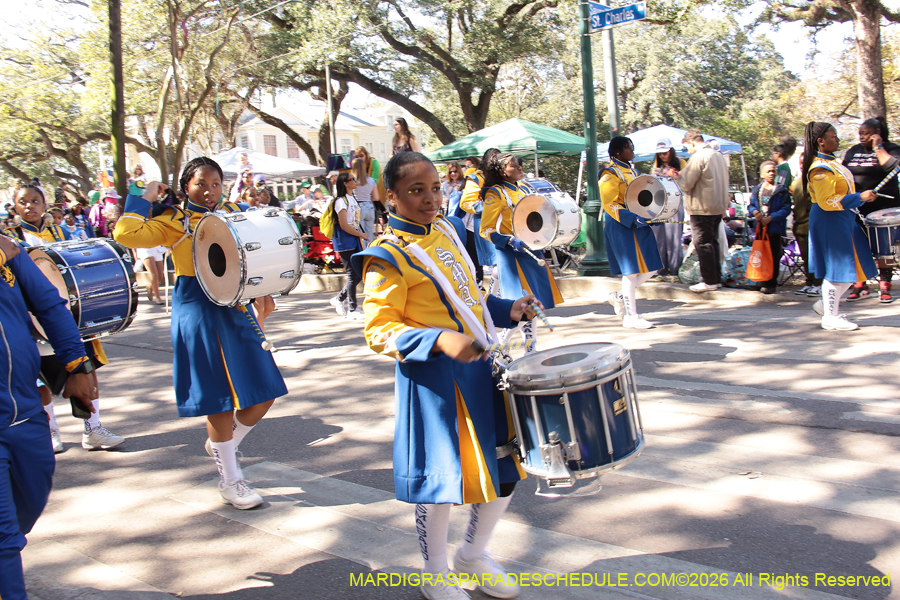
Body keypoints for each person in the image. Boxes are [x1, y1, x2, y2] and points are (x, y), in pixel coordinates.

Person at [354, 151, 539, 600]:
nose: (430, 198)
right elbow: (379, 331)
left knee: (507, 468)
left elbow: (470, 296)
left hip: (482, 371)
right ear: (391, 196)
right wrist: (437, 340)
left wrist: (507, 310)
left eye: (435, 188)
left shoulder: (448, 230)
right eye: (415, 191)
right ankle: (434, 571)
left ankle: (473, 554)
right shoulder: (385, 257)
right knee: (440, 481)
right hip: (435, 383)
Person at [114, 157, 288, 508]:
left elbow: (263, 250)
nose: (209, 191)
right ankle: (230, 478)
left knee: (264, 390)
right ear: (185, 187)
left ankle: (223, 445)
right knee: (219, 398)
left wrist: (264, 288)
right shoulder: (174, 221)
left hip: (235, 306)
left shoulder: (234, 213)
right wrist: (142, 195)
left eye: (215, 184)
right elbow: (125, 233)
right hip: (196, 306)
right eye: (200, 184)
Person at [0, 233, 98, 600]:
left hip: (25, 412)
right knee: (5, 538)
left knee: (32, 495)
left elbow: (49, 305)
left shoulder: (8, 247)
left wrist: (76, 364)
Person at [7, 183, 123, 452]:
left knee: (86, 371)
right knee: (40, 380)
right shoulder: (10, 239)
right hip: (33, 319)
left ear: (44, 204)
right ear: (15, 207)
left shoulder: (61, 231)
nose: (30, 206)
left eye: (35, 200)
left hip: (69, 315)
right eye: (23, 201)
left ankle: (92, 428)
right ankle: (51, 431)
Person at [480, 151, 563, 349]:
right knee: (526, 304)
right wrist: (509, 241)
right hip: (512, 255)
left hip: (532, 250)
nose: (519, 167)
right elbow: (486, 229)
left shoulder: (524, 188)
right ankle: (526, 346)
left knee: (531, 303)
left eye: (519, 163)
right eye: (514, 164)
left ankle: (510, 343)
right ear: (502, 171)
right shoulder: (496, 193)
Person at [803, 121, 878, 331]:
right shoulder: (820, 168)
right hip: (830, 221)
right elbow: (827, 201)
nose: (837, 139)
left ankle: (827, 306)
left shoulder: (832, 164)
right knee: (838, 269)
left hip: (843, 219)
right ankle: (830, 316)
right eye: (833, 136)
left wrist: (859, 199)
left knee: (853, 267)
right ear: (821, 141)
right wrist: (859, 197)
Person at [600, 137, 663, 329]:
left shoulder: (633, 171)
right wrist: (631, 217)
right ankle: (631, 316)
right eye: (629, 148)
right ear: (618, 152)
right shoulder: (609, 174)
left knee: (652, 266)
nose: (632, 151)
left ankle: (619, 296)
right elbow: (608, 204)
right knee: (631, 271)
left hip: (637, 221)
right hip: (621, 224)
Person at [842, 116, 900, 303]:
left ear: (877, 133)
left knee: (884, 248)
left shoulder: (891, 149)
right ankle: (860, 283)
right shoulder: (854, 151)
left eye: (866, 134)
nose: (861, 137)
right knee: (858, 245)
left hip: (884, 207)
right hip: (859, 205)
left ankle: (884, 285)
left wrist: (878, 147)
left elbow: (894, 167)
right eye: (860, 133)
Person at [679, 129, 730, 293]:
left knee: (703, 243)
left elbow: (686, 183)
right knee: (713, 242)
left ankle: (709, 280)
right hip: (717, 205)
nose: (688, 151)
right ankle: (715, 278)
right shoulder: (718, 155)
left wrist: (677, 176)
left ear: (691, 143)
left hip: (701, 206)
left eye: (687, 148)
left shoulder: (699, 157)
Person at [747, 161, 792, 294]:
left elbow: (786, 208)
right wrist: (755, 212)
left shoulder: (781, 191)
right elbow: (751, 205)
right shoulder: (757, 190)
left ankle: (771, 282)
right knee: (759, 254)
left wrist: (771, 218)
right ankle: (759, 279)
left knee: (773, 255)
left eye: (773, 171)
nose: (771, 173)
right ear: (762, 174)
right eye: (768, 171)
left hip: (774, 229)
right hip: (760, 228)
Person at [327, 173, 367, 319]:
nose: (356, 181)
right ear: (345, 183)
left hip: (354, 239)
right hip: (345, 240)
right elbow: (344, 225)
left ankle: (339, 299)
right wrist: (361, 234)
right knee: (352, 273)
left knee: (359, 272)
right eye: (352, 180)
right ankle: (352, 309)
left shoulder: (352, 199)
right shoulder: (340, 201)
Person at [650, 137, 687, 279]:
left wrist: (674, 177)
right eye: (660, 153)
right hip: (658, 205)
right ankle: (660, 269)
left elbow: (686, 184)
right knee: (659, 238)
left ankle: (675, 268)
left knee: (673, 237)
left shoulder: (682, 164)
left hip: (675, 203)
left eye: (665, 152)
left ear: (671, 151)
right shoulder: (655, 165)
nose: (662, 155)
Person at [461, 152, 497, 291]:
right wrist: (490, 206)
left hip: (498, 227)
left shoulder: (500, 178)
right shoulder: (475, 178)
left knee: (499, 266)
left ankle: (497, 300)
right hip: (475, 228)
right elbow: (466, 203)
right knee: (476, 265)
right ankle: (481, 297)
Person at [790, 153, 823, 297]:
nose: (803, 165)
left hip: (814, 225)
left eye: (806, 162)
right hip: (800, 225)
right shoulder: (796, 183)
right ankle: (809, 282)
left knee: (816, 255)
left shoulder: (818, 181)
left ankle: (818, 283)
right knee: (805, 256)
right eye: (801, 163)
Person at [352, 158, 379, 246]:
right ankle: (371, 254)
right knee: (370, 234)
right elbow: (376, 197)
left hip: (358, 207)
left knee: (361, 235)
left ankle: (363, 255)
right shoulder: (371, 181)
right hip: (369, 207)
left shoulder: (353, 181)